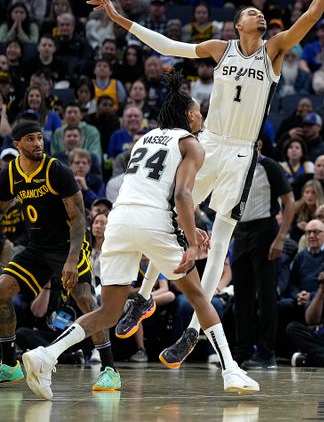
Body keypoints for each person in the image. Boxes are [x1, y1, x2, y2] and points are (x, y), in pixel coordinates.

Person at [99, 0, 324, 368]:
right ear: (238, 23)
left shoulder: (274, 50)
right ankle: (143, 297)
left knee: (220, 233)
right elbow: (169, 46)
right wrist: (122, 20)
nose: (260, 14)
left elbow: (313, 14)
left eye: (262, 12)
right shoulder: (219, 49)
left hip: (242, 152)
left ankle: (191, 332)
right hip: (210, 143)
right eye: (251, 11)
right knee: (166, 214)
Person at [20, 73, 258, 399]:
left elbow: (152, 189)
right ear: (189, 116)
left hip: (119, 220)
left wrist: (181, 227)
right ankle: (231, 371)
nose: (201, 116)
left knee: (109, 311)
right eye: (198, 112)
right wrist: (190, 241)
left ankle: (46, 355)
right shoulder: (192, 144)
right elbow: (182, 197)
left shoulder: (144, 139)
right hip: (151, 221)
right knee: (200, 297)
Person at [0, 121, 117, 391]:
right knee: (2, 292)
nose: (38, 143)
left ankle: (110, 368)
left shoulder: (56, 170)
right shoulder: (10, 174)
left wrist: (72, 260)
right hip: (37, 247)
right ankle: (9, 365)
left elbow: (78, 219)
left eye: (40, 138)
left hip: (69, 244)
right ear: (17, 145)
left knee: (85, 300)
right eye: (30, 139)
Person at [232, 150, 294, 370]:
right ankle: (242, 350)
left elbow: (290, 202)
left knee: (266, 294)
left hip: (265, 229)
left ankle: (267, 353)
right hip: (240, 230)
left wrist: (281, 237)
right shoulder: (234, 164)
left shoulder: (270, 166)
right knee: (241, 295)